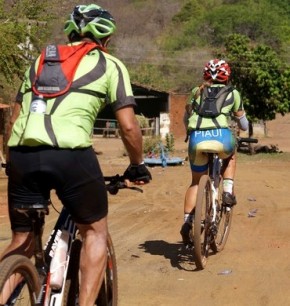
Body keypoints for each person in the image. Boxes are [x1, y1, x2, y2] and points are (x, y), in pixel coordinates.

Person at [0, 4, 151, 306]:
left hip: (21, 156)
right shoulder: (110, 65)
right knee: (94, 231)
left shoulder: (39, 62)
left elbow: (13, 120)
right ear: (106, 40)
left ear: (70, 33)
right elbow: (129, 127)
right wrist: (137, 165)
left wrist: (10, 161)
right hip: (71, 159)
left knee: (22, 239)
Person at [180, 59, 248, 246]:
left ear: (205, 75)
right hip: (222, 138)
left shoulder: (196, 91)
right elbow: (243, 123)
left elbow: (187, 117)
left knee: (195, 182)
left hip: (197, 140)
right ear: (227, 77)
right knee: (231, 156)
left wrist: (190, 131)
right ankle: (227, 191)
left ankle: (187, 221)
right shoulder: (233, 93)